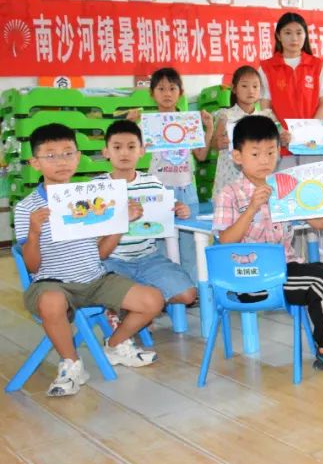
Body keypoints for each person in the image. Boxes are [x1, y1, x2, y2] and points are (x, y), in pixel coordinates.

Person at [214, 115, 323, 373]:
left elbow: (317, 222)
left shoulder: (283, 187)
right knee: (319, 282)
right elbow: (224, 241)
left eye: (271, 152)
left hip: (284, 267)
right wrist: (251, 208)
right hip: (250, 276)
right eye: (255, 153)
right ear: (238, 156)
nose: (265, 160)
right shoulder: (230, 193)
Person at [16, 123, 162, 397]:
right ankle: (71, 364)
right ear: (35, 163)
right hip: (52, 283)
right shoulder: (27, 208)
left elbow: (101, 254)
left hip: (95, 278)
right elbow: (32, 266)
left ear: (78, 156)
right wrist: (34, 232)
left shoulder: (91, 198)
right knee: (51, 301)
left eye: (68, 153)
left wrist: (120, 222)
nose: (61, 161)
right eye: (51, 155)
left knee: (153, 299)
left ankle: (115, 345)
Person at [98, 120, 197, 318]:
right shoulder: (98, 187)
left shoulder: (152, 182)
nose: (124, 153)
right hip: (112, 261)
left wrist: (180, 208)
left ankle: (141, 299)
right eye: (117, 147)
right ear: (106, 152)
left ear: (142, 151)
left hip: (148, 258)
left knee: (188, 295)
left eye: (131, 147)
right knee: (120, 295)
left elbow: (169, 205)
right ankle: (140, 304)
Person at [126, 67, 213, 282]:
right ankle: (168, 287)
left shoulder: (189, 123)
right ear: (152, 93)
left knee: (190, 240)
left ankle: (193, 286)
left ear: (180, 92)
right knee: (160, 239)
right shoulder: (146, 124)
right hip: (158, 189)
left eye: (172, 88)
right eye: (161, 88)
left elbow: (201, 155)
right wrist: (129, 125)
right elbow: (131, 151)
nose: (167, 93)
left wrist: (209, 128)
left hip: (186, 189)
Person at [258, 12, 323, 168]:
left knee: (313, 183)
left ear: (305, 35)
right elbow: (265, 107)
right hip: (281, 144)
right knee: (284, 183)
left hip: (312, 144)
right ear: (278, 36)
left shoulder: (318, 66)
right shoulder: (266, 68)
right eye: (288, 33)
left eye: (299, 33)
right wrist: (279, 131)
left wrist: (308, 132)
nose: (294, 38)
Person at [211, 65, 277, 200]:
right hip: (230, 175)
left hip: (257, 177)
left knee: (257, 207)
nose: (250, 91)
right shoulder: (226, 115)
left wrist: (283, 138)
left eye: (255, 86)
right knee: (229, 209)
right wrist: (221, 142)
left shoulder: (266, 117)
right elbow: (214, 144)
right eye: (245, 86)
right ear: (234, 89)